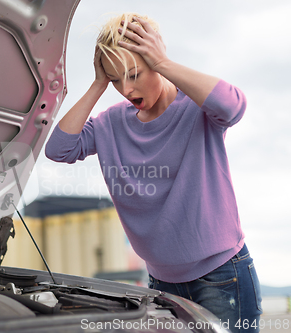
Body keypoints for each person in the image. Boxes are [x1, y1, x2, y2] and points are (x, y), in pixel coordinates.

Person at [45, 13, 262, 333]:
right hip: (161, 283)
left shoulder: (196, 108)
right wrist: (97, 84)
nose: (126, 88)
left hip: (221, 277)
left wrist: (163, 62)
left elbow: (233, 106)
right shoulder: (110, 124)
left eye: (134, 74)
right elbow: (58, 149)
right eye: (116, 79)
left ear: (156, 61)